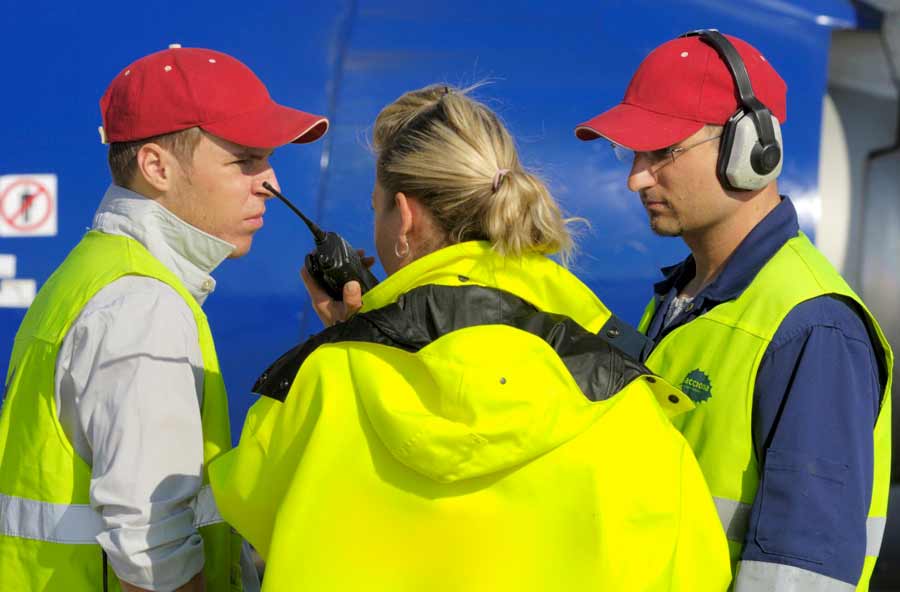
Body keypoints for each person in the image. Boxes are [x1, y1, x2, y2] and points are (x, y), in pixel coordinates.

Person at [208, 84, 731, 591]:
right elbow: (695, 571)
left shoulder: (320, 385)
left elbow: (249, 508)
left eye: (376, 209)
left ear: (405, 216)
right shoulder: (627, 404)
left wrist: (355, 341)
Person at [0, 44, 328, 591]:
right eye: (244, 160)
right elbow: (152, 553)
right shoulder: (141, 304)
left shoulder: (96, 272)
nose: (271, 184)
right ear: (156, 167)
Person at [575, 30, 892, 590]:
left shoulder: (812, 327)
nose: (636, 178)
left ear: (752, 148)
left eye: (663, 151)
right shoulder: (682, 301)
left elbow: (799, 577)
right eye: (634, 153)